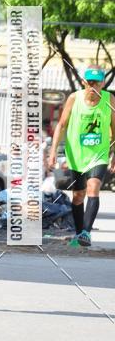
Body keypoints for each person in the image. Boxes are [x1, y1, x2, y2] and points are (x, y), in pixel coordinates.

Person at [48, 67, 115, 247]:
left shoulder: (109, 99)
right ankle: (79, 235)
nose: (93, 87)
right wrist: (53, 151)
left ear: (102, 83)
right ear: (84, 82)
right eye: (90, 83)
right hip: (76, 155)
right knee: (78, 196)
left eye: (97, 83)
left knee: (93, 187)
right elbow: (61, 125)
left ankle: (86, 232)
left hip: (99, 154)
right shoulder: (74, 98)